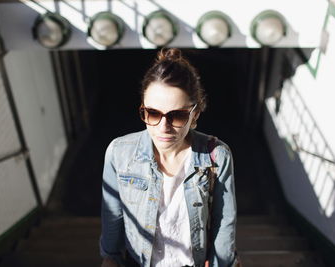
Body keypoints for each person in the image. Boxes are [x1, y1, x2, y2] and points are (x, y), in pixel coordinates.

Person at [100, 48, 237, 267]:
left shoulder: (217, 156)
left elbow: (224, 223)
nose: (163, 127)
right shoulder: (119, 152)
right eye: (153, 113)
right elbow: (112, 216)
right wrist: (110, 259)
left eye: (178, 115)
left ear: (195, 115)